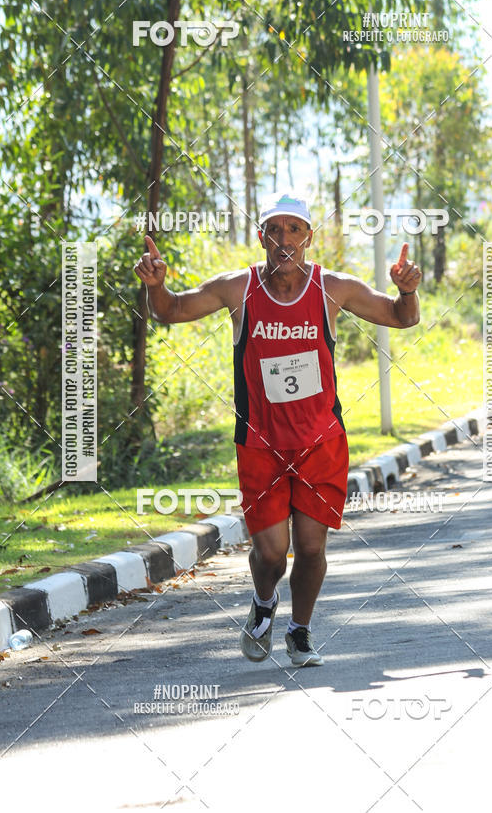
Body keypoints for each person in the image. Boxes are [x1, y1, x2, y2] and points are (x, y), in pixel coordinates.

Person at [134, 189, 421, 667]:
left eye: (294, 229)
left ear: (309, 236)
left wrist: (407, 291)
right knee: (271, 554)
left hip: (320, 443)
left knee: (311, 548)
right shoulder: (238, 288)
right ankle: (264, 605)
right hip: (260, 444)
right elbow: (172, 310)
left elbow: (400, 318)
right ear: (261, 235)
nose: (284, 238)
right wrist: (156, 286)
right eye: (275, 229)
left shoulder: (333, 287)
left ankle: (300, 631)